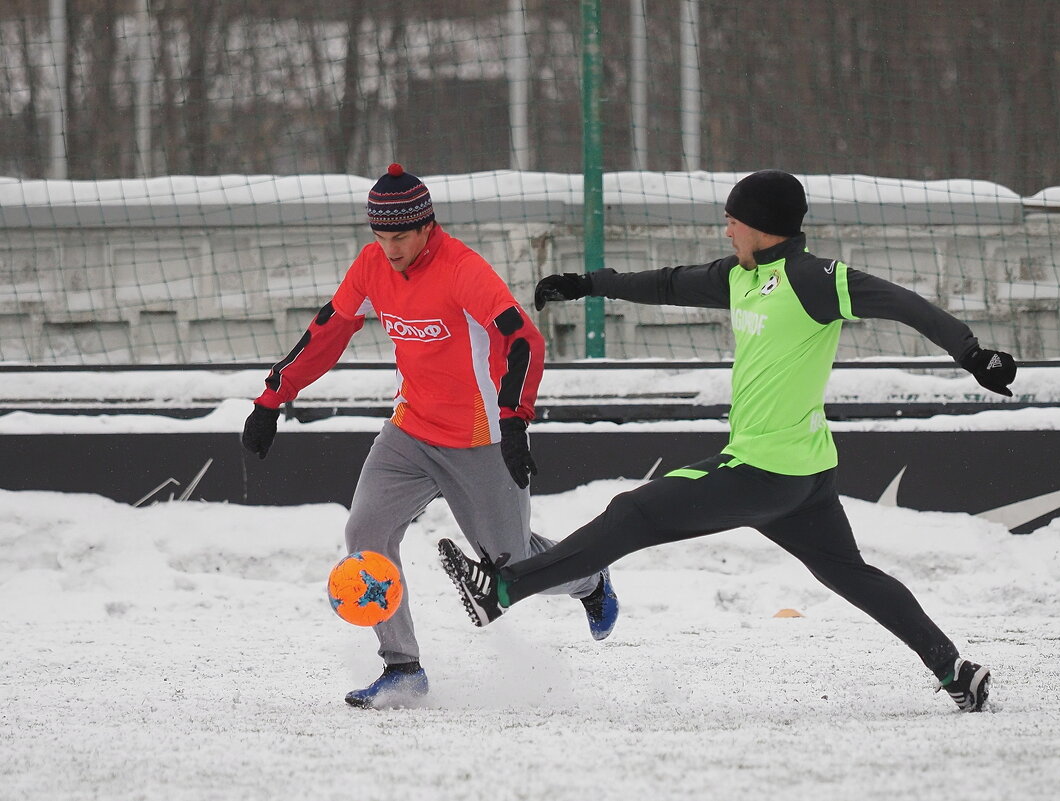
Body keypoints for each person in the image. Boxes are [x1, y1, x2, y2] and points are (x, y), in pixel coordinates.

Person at [439, 169, 1016, 713]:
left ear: (762, 226)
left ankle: (503, 592)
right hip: (803, 474)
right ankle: (954, 672)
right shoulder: (739, 276)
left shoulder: (814, 280)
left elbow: (905, 304)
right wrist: (588, 284)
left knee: (634, 510)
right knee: (852, 575)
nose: (726, 229)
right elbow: (665, 284)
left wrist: (970, 353)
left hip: (766, 469)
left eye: (733, 220)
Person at [242, 164, 618, 709]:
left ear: (427, 227)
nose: (389, 249)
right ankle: (402, 668)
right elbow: (327, 330)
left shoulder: (463, 269)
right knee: (365, 532)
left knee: (510, 564)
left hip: (483, 438)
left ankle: (589, 580)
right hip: (410, 431)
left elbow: (523, 340)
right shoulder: (373, 265)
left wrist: (515, 418)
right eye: (380, 235)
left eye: (399, 237)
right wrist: (272, 399)